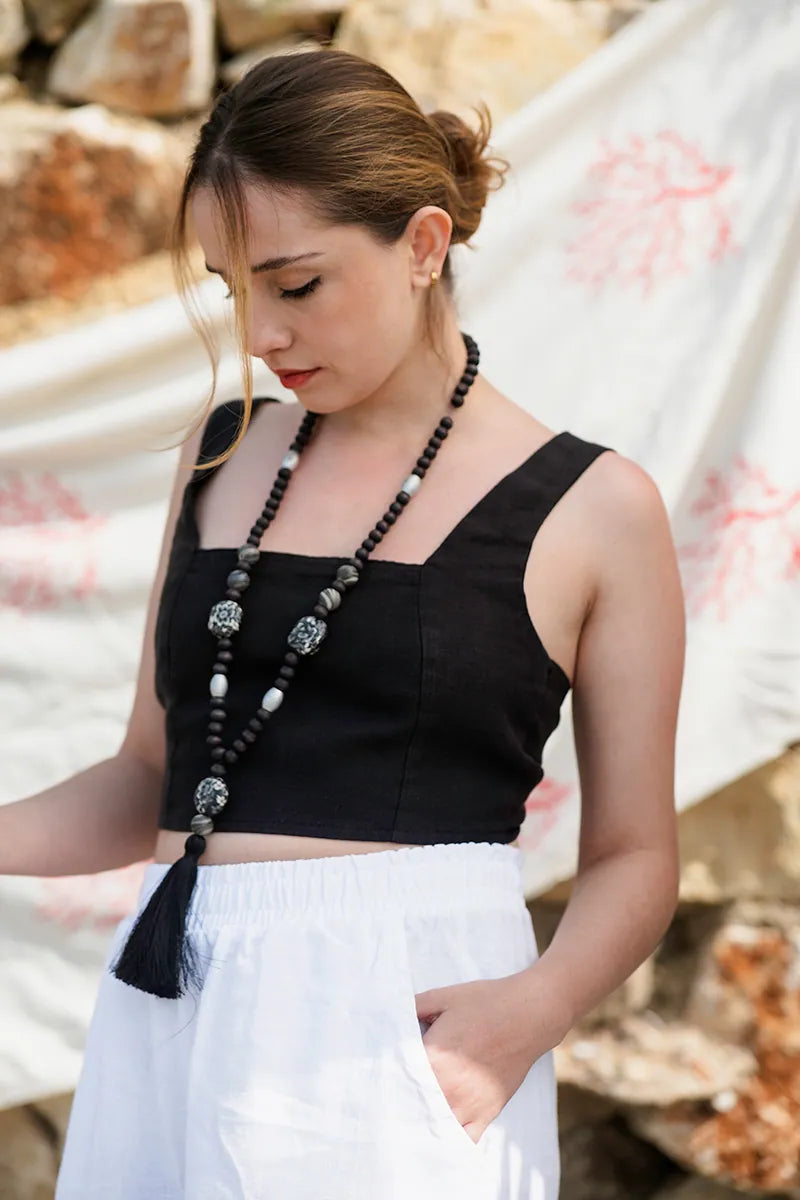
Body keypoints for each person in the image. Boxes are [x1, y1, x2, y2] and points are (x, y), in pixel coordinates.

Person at [3, 47, 684, 1200]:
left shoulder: (594, 509)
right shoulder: (219, 456)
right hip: (169, 1008)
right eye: (231, 289)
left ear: (423, 245)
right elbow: (150, 779)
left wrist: (527, 1014)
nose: (262, 331)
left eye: (295, 282)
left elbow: (634, 856)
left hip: (407, 1020)